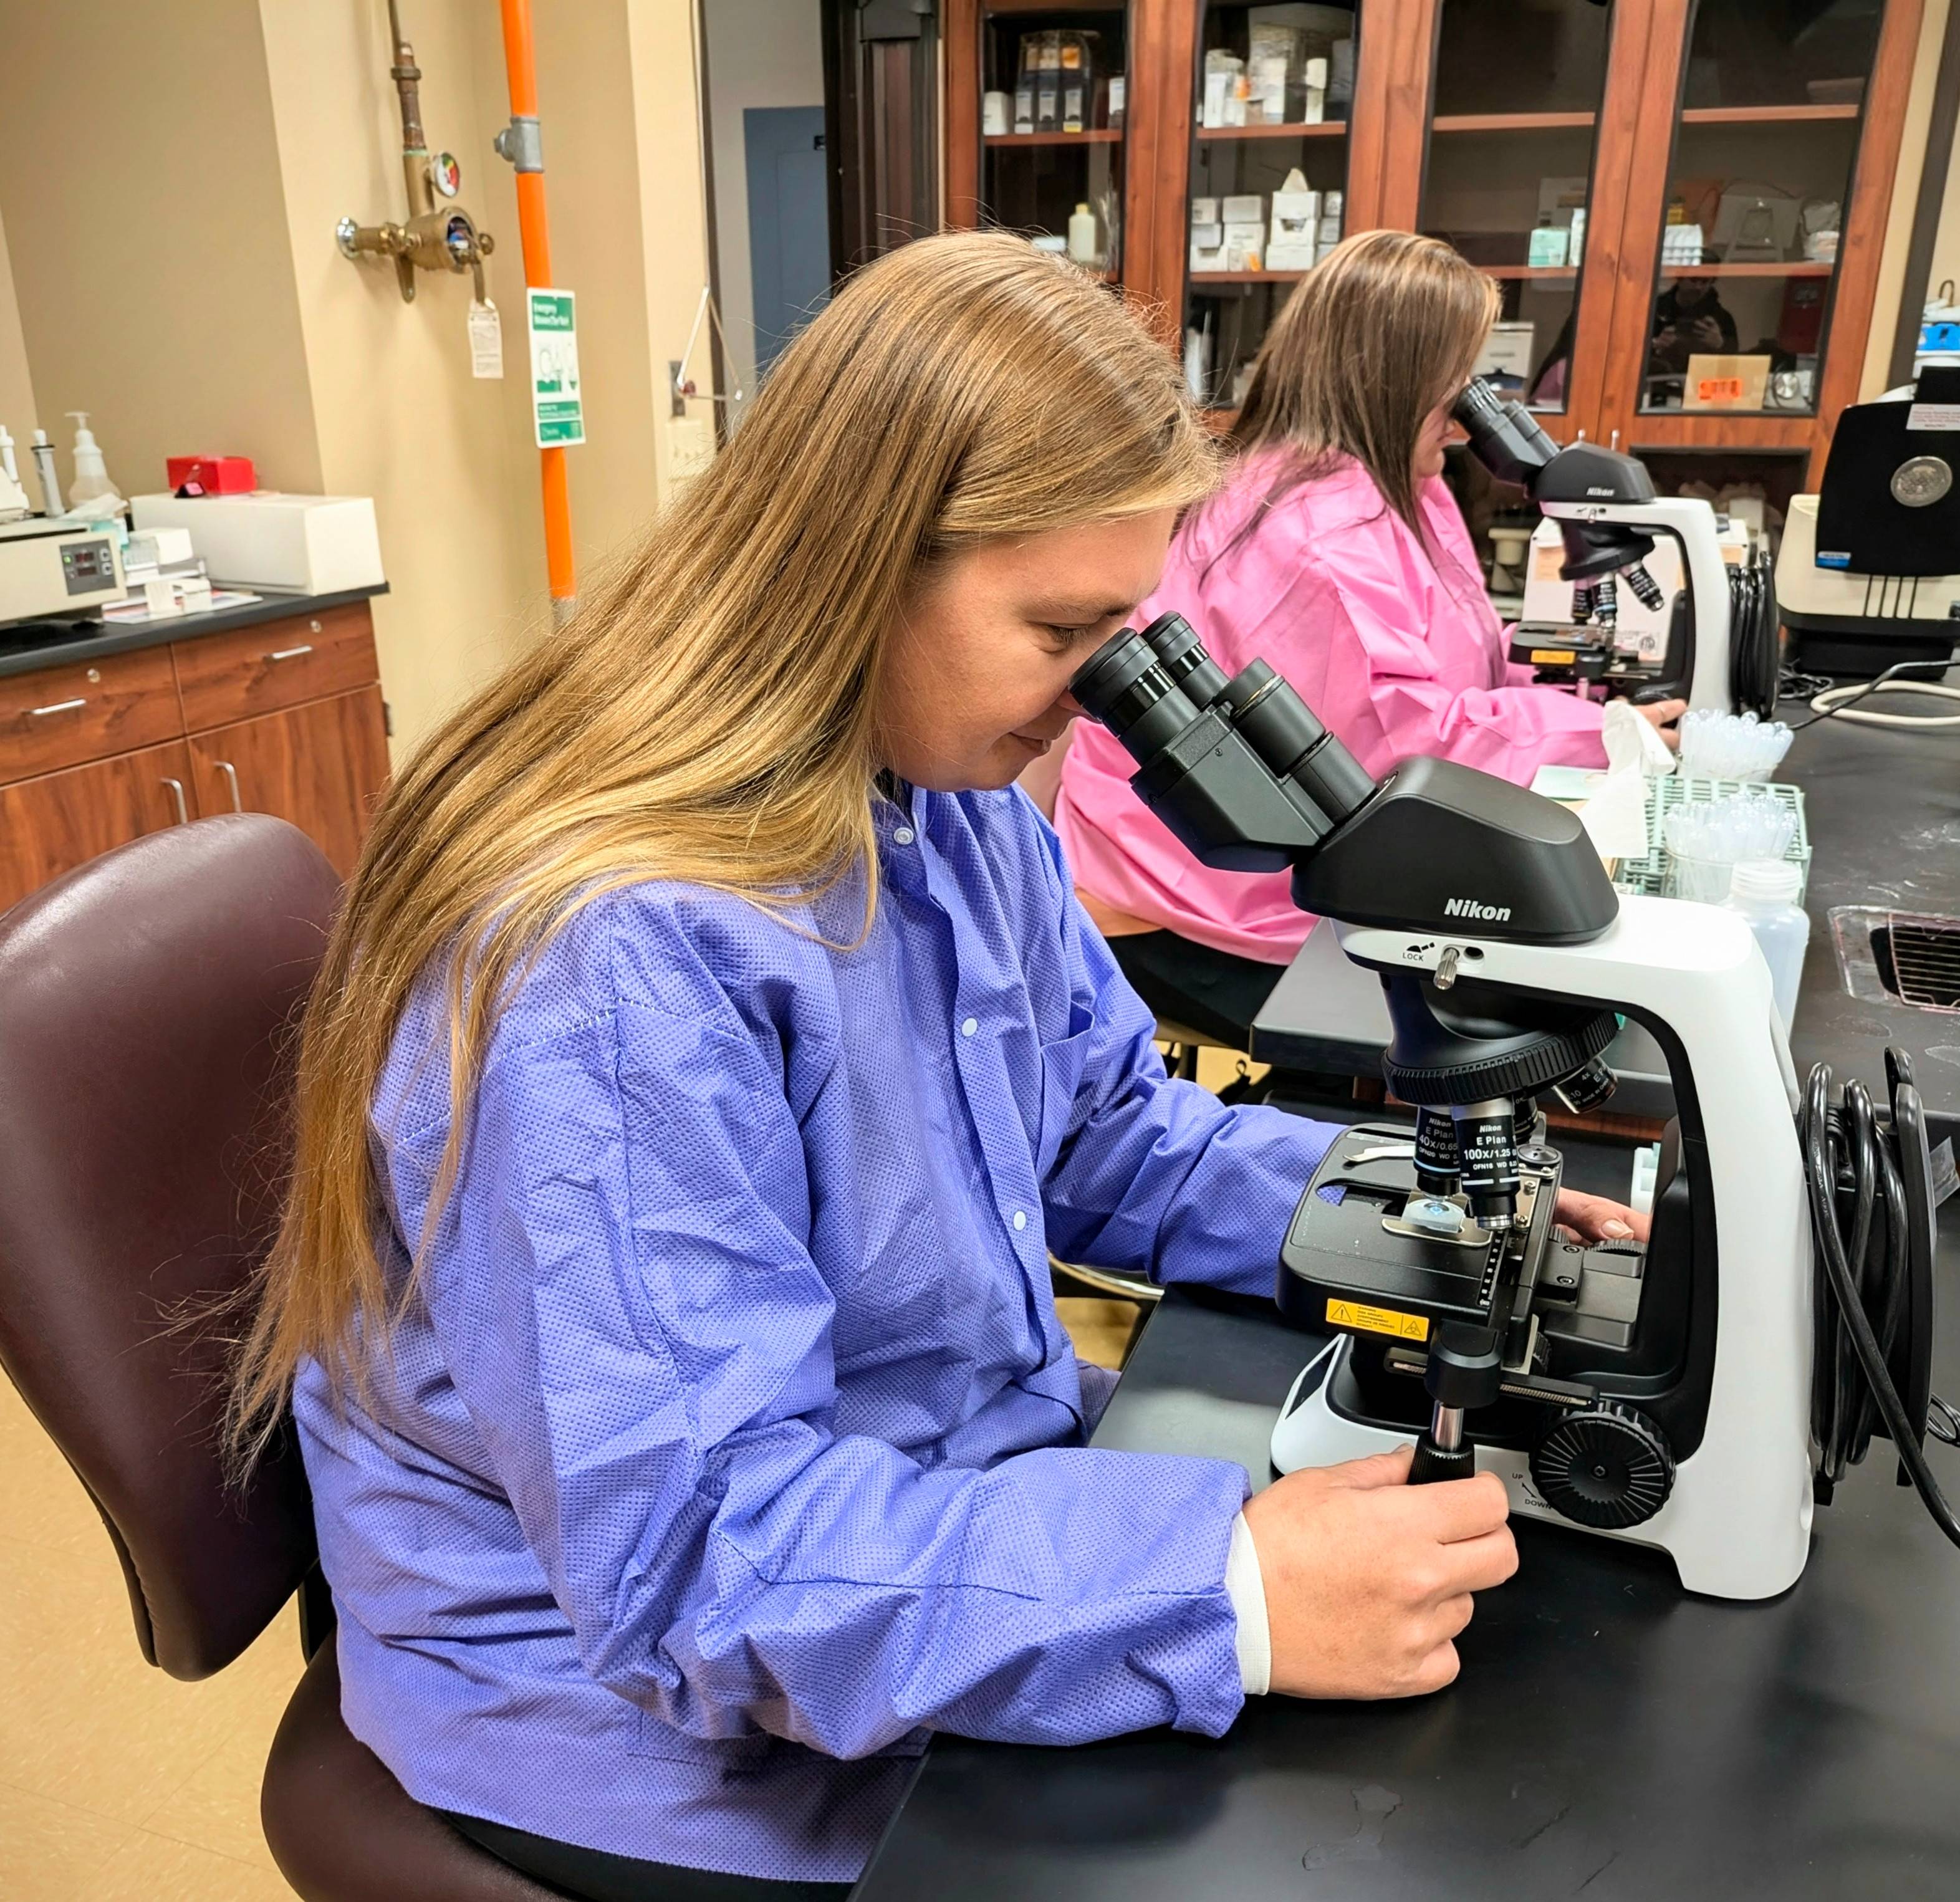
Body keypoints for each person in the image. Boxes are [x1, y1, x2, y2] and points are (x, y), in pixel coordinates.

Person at [229, 233, 1641, 1900]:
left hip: (919, 1484)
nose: (1113, 700)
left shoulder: (949, 802)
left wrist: (1416, 1218)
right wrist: (1223, 1587)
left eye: (1136, 632)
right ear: (858, 564)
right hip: (645, 1689)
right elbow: (706, 1561)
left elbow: (1103, 1125)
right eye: (1067, 629)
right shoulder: (608, 958)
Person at [1055, 231, 1684, 1040]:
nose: (1466, 419)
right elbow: (1399, 738)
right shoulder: (1316, 528)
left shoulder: (1405, 489)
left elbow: (1468, 664)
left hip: (1285, 855)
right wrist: (1597, 733)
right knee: (1509, 1026)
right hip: (1199, 898)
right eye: (1454, 386)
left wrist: (1582, 702)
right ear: (1394, 382)